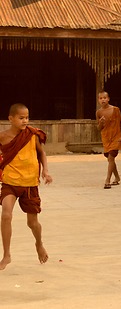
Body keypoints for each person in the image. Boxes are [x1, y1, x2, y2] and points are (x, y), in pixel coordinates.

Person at [0, 103, 52, 270]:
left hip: (30, 184)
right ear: (11, 119)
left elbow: (41, 153)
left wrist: (45, 171)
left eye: (27, 118)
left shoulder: (32, 135)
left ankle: (39, 243)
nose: (25, 121)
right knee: (6, 215)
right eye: (21, 118)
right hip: (10, 182)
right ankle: (6, 254)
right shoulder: (2, 137)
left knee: (33, 223)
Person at [96, 91, 121, 189]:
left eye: (105, 98)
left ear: (108, 99)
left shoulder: (116, 109)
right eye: (101, 98)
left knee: (111, 157)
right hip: (106, 137)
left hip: (116, 136)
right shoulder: (99, 112)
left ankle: (107, 180)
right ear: (98, 100)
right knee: (110, 159)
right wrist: (101, 123)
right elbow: (99, 128)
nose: (103, 100)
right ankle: (117, 177)